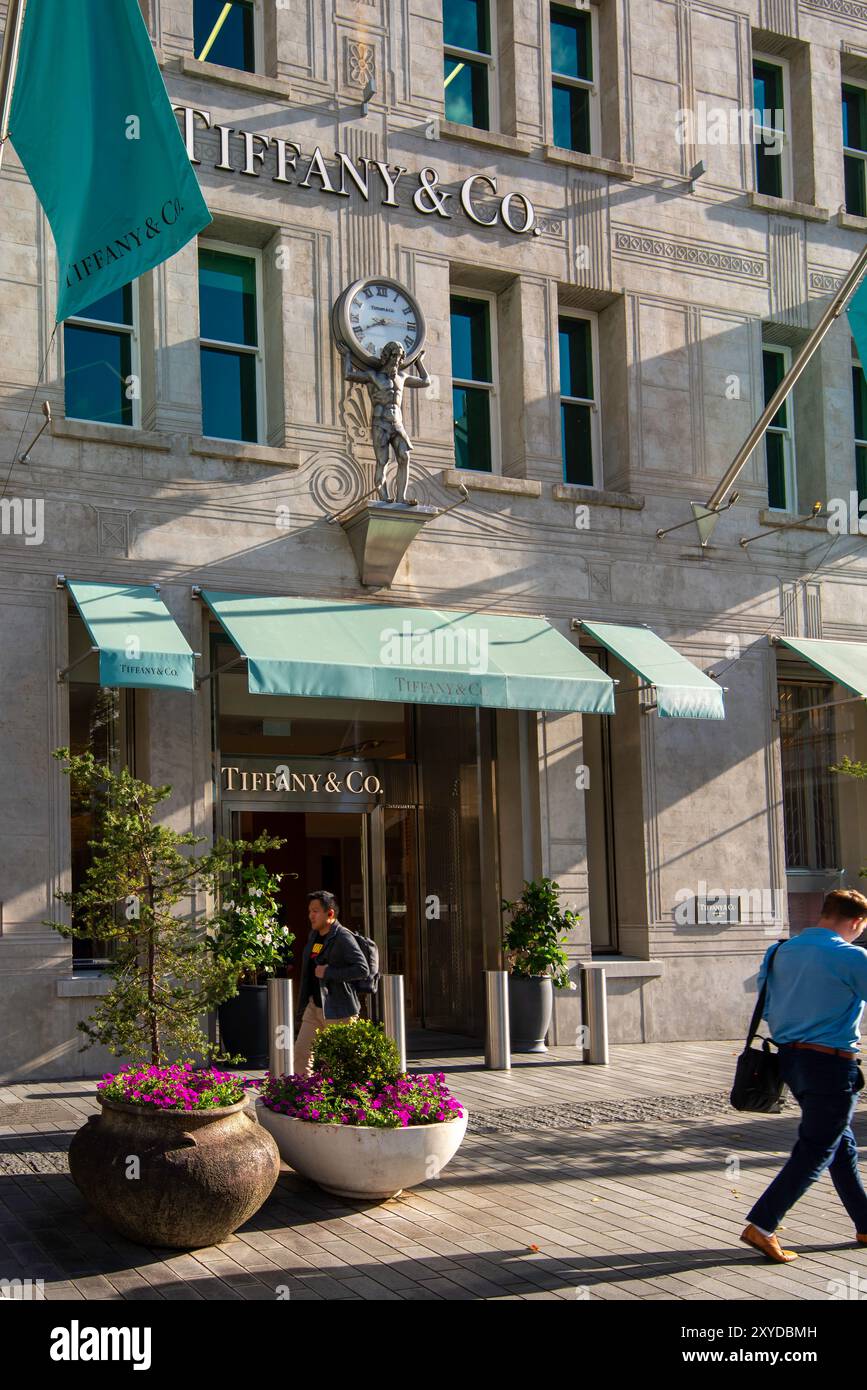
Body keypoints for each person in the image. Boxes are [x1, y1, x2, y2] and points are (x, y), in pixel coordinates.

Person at [741, 888, 867, 1262]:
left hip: (790, 1062)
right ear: (857, 922)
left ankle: (864, 1222)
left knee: (837, 1142)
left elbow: (767, 1000)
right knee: (817, 1148)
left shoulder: (779, 950)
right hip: (831, 1064)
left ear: (824, 913)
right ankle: (762, 1225)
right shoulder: (851, 956)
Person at [342, 341, 430, 503]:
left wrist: (418, 362)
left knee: (404, 457)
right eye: (394, 355)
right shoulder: (372, 376)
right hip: (380, 423)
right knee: (383, 461)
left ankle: (401, 498)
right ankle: (383, 496)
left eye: (400, 356)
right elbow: (348, 374)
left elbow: (426, 381)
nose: (397, 359)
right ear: (386, 356)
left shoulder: (402, 377)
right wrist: (347, 354)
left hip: (397, 424)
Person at [294, 890, 369, 1076]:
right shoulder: (315, 936)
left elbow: (362, 969)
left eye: (316, 911)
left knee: (339, 1061)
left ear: (330, 914)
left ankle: (342, 1099)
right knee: (301, 1052)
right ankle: (304, 1096)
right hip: (315, 1005)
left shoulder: (343, 937)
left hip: (338, 1009)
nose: (311, 915)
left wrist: (329, 972)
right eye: (310, 911)